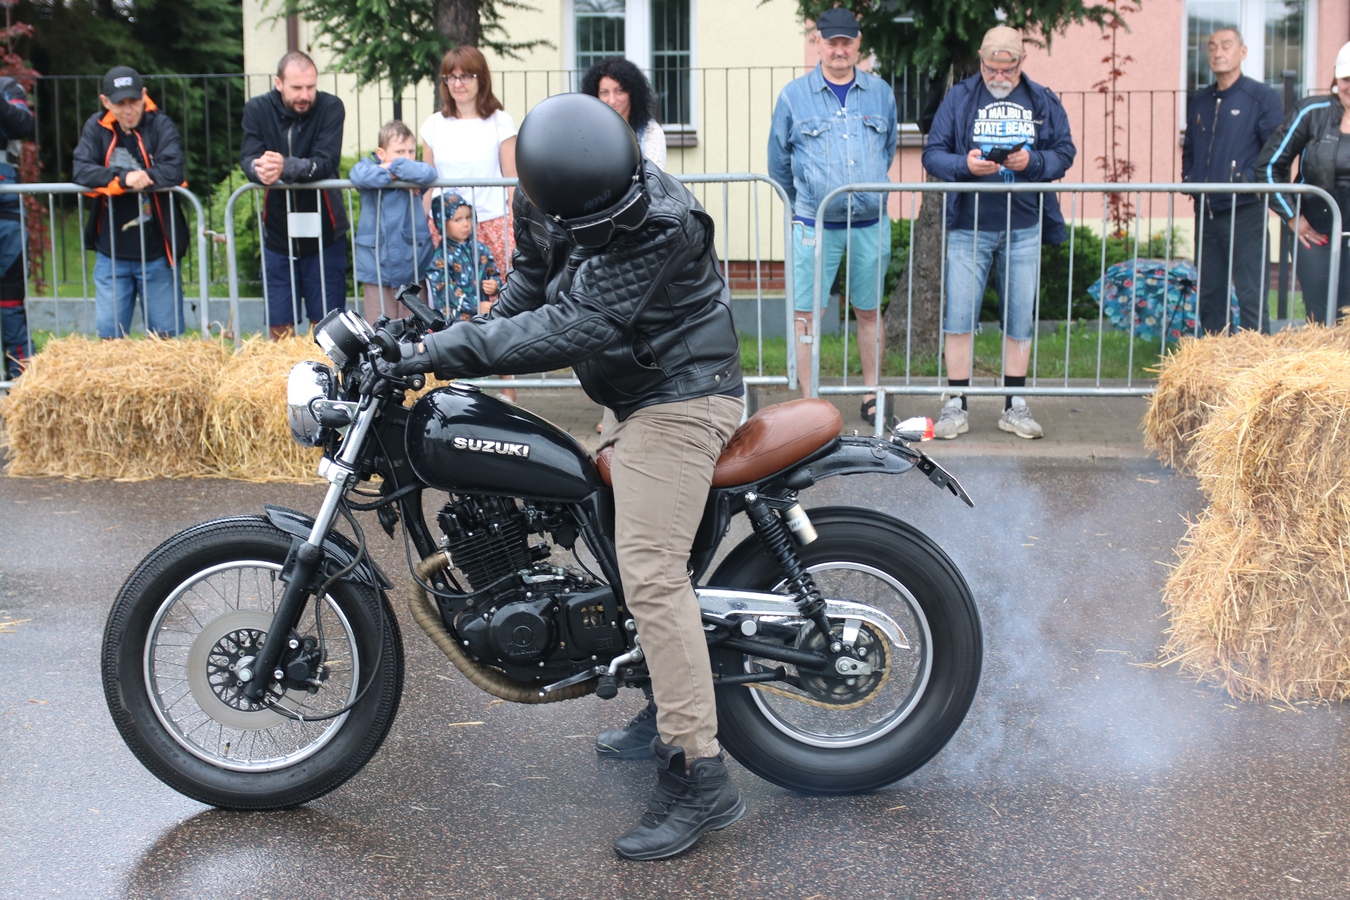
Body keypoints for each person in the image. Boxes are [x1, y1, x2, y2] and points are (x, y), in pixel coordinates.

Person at [383, 93, 746, 861]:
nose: (605, 223)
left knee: (648, 570)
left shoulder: (659, 217)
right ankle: (664, 697)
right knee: (606, 545)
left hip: (685, 395)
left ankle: (699, 773)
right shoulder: (544, 194)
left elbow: (576, 325)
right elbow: (529, 284)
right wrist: (456, 336)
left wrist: (443, 354)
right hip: (633, 390)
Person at [921, 25, 1077, 440]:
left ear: (1022, 62)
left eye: (1007, 70)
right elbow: (933, 154)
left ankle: (1014, 405)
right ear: (981, 60)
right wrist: (965, 166)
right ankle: (956, 404)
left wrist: (1033, 163)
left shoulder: (1041, 99)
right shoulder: (960, 97)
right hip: (969, 228)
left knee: (1019, 318)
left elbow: (1065, 152)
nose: (998, 77)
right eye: (991, 69)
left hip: (1024, 225)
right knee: (958, 317)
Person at [768, 7, 897, 421]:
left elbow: (887, 149)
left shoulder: (881, 94)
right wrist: (807, 201)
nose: (839, 49)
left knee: (869, 311)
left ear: (858, 43)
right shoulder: (793, 96)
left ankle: (871, 395)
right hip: (814, 223)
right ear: (818, 42)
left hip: (869, 223)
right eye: (831, 42)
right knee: (808, 314)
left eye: (846, 42)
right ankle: (810, 403)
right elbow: (778, 163)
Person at [421, 45, 516, 399]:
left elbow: (512, 180)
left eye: (466, 76)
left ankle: (508, 387)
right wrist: (425, 224)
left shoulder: (500, 121)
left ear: (481, 78)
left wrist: (514, 227)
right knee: (451, 307)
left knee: (498, 306)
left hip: (492, 225)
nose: (458, 83)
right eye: (451, 76)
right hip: (446, 230)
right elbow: (428, 181)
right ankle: (458, 387)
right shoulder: (434, 124)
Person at [72, 66, 190, 340]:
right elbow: (81, 170)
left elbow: (173, 170)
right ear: (105, 102)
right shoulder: (95, 126)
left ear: (144, 95)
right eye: (120, 103)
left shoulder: (161, 124)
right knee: (110, 338)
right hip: (110, 253)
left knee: (165, 339)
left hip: (157, 252)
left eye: (133, 101)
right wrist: (124, 178)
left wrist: (143, 178)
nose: (128, 110)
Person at [1181, 28, 1284, 335]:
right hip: (1207, 212)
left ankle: (1256, 360)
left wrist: (1248, 180)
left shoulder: (1261, 97)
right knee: (1210, 294)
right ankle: (1215, 358)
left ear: (1243, 52)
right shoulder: (1200, 100)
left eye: (1226, 46)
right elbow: (1190, 147)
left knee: (1252, 294)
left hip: (1246, 209)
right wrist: (1190, 178)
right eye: (1212, 47)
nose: (1218, 52)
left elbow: (1277, 150)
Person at [241, 51, 348, 340]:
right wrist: (259, 170)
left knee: (328, 326)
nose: (305, 95)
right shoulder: (257, 108)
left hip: (326, 232)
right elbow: (248, 158)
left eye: (310, 87)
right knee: (279, 325)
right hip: (277, 232)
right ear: (279, 83)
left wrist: (284, 167)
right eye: (297, 87)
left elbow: (326, 161)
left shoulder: (331, 107)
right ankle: (282, 370)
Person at [1256, 42, 1350, 325]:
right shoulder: (1311, 112)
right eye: (1347, 78)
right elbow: (1268, 167)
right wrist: (1292, 216)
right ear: (1336, 78)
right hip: (1317, 234)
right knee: (1323, 320)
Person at [349, 120, 438, 323]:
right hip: (376, 265)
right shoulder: (367, 166)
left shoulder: (416, 172)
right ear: (381, 153)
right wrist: (394, 173)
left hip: (412, 262)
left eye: (411, 151)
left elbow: (429, 173)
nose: (407, 157)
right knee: (380, 324)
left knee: (416, 325)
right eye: (400, 152)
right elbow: (358, 175)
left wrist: (395, 168)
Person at [0, 75, 33, 379]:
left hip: (6, 207)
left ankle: (20, 381)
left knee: (10, 299)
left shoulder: (8, 87)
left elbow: (23, 125)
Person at [423, 192, 500, 321]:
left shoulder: (481, 249)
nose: (466, 224)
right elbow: (446, 292)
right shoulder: (440, 258)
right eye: (458, 220)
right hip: (455, 323)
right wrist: (475, 306)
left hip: (483, 319)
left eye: (468, 217)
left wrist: (495, 285)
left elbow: (493, 274)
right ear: (442, 223)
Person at [582, 57, 667, 169]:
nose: (612, 100)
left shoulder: (651, 132)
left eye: (619, 91)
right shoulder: (586, 133)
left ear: (632, 92)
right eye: (604, 92)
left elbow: (652, 176)